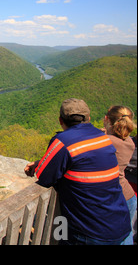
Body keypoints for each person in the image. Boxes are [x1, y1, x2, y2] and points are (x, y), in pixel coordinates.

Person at [24, 98, 131, 245]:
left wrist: (40, 165)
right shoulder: (103, 137)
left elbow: (44, 177)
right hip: (121, 224)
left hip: (90, 232)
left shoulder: (63, 141)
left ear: (60, 121)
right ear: (89, 118)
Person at [103, 106, 137, 244]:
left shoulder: (103, 142)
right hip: (128, 196)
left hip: (111, 199)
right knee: (126, 237)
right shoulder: (129, 142)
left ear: (106, 119)